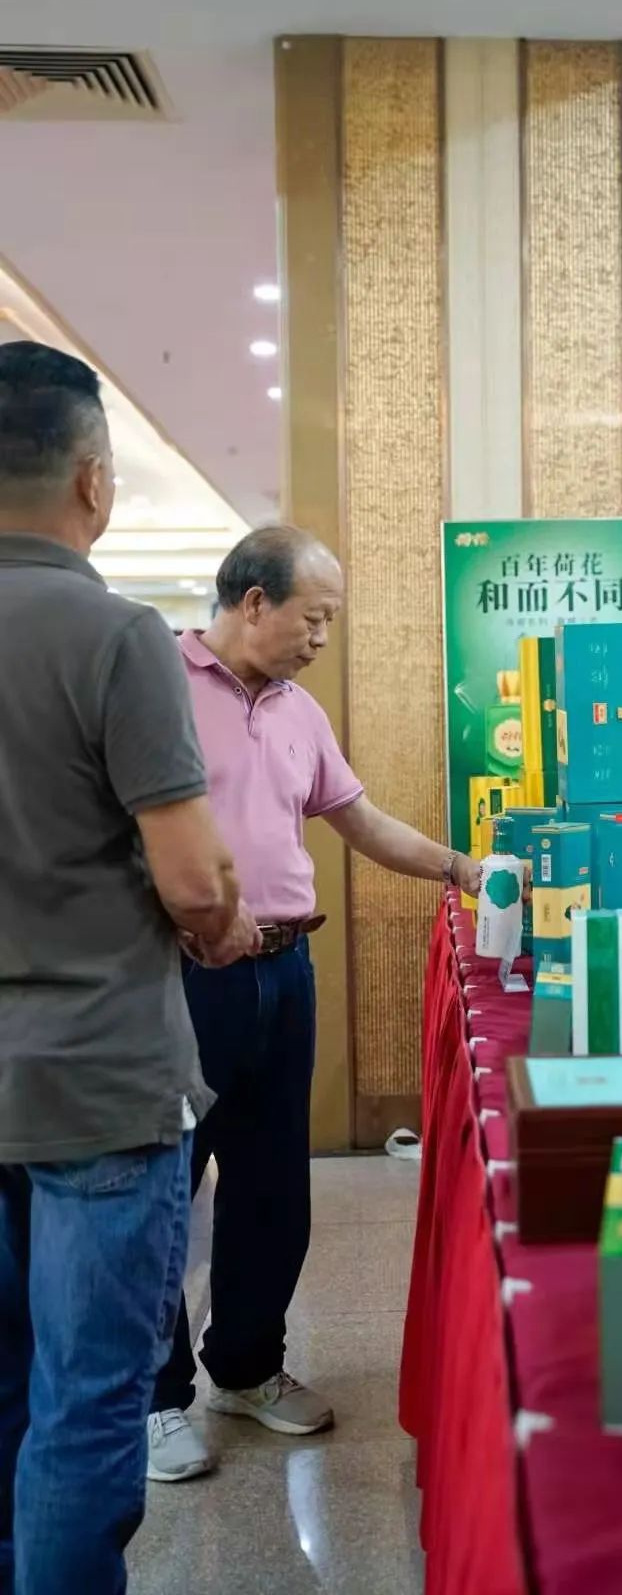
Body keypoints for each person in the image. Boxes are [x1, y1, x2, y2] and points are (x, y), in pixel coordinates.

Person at [0, 341, 260, 1594]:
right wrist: (220, 934)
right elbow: (198, 878)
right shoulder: (114, 636)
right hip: (101, 1078)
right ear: (93, 482)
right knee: (89, 1401)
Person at [148, 525, 483, 1482]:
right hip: (185, 975)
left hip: (284, 973)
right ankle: (157, 1399)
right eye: (316, 616)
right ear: (255, 601)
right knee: (167, 1196)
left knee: (270, 1189)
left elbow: (359, 821)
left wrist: (460, 867)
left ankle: (247, 1369)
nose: (322, 638)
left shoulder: (298, 711)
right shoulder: (158, 686)